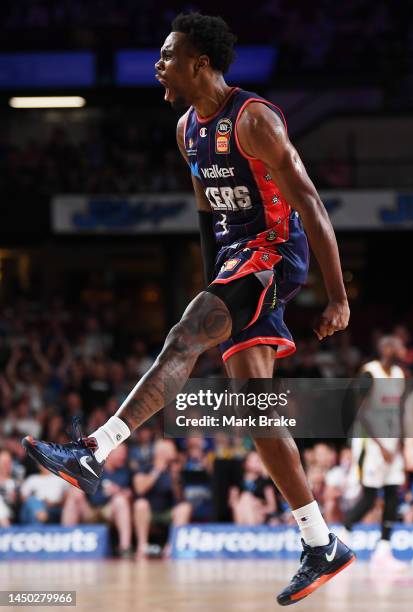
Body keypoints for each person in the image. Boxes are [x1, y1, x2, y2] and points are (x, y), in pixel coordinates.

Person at [22, 12, 354, 605]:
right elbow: (206, 209)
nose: (158, 66)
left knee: (182, 337)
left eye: (168, 56)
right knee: (256, 412)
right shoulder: (185, 130)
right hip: (235, 262)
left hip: (275, 255)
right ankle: (320, 542)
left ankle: (92, 450)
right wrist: (213, 285)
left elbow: (310, 203)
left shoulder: (254, 120)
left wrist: (338, 295)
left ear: (201, 63)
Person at [344, 336, 407, 571]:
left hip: (392, 444)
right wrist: (381, 445)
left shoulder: (400, 374)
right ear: (386, 348)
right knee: (369, 496)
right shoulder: (369, 373)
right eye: (399, 345)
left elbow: (399, 412)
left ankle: (384, 550)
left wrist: (400, 441)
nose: (403, 349)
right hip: (370, 443)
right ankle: (342, 537)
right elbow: (359, 413)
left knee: (392, 493)